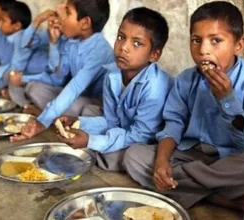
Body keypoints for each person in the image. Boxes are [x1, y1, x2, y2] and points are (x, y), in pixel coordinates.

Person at [123, 1, 244, 212]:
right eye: (196, 40)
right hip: (190, 153)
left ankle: (184, 188)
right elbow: (173, 124)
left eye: (216, 41)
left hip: (231, 158)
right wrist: (161, 162)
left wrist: (228, 99)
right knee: (133, 157)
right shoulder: (186, 80)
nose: (203, 50)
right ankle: (218, 197)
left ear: (238, 45)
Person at [55, 7, 173, 172]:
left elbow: (140, 136)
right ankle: (94, 149)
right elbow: (111, 121)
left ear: (154, 54)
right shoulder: (112, 75)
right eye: (121, 37)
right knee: (87, 113)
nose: (124, 47)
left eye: (137, 43)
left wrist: (91, 141)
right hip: (123, 130)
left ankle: (95, 152)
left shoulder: (155, 88)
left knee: (129, 156)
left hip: (145, 142)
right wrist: (77, 121)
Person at [10, 0, 114, 142]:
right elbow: (58, 78)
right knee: (35, 88)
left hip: (94, 103)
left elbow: (74, 87)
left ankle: (50, 117)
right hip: (74, 96)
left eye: (68, 12)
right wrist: (53, 43)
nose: (62, 18)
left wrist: (41, 122)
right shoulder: (73, 42)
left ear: (84, 23)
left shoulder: (99, 50)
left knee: (78, 106)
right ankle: (55, 118)